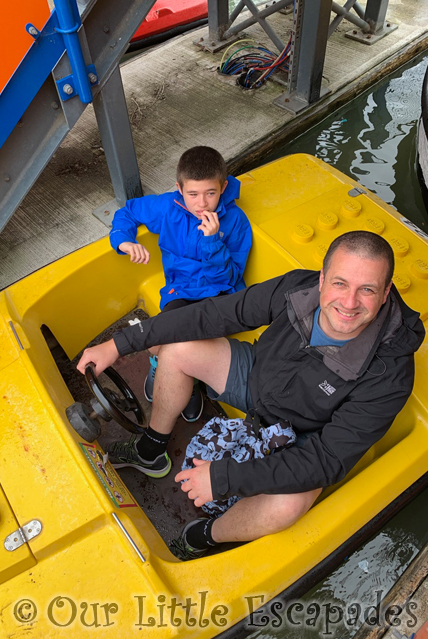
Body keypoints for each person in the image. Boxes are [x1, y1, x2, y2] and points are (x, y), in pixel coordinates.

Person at [77, 230, 425, 560]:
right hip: (258, 379)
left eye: (367, 289)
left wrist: (223, 477)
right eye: (340, 283)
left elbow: (326, 459)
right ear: (321, 279)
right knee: (179, 349)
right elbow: (215, 315)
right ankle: (151, 447)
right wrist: (119, 343)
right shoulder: (295, 288)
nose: (349, 302)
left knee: (288, 506)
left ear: (386, 291)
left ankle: (204, 535)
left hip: (301, 435)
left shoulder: (390, 373)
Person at [109, 146, 252, 421]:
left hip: (221, 294)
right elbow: (127, 212)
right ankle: (173, 371)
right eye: (192, 194)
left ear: (223, 187)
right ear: (179, 188)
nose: (201, 204)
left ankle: (185, 377)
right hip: (181, 291)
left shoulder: (236, 222)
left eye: (210, 193)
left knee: (183, 342)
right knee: (165, 337)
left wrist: (212, 242)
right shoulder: (167, 207)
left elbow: (229, 278)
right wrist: (124, 241)